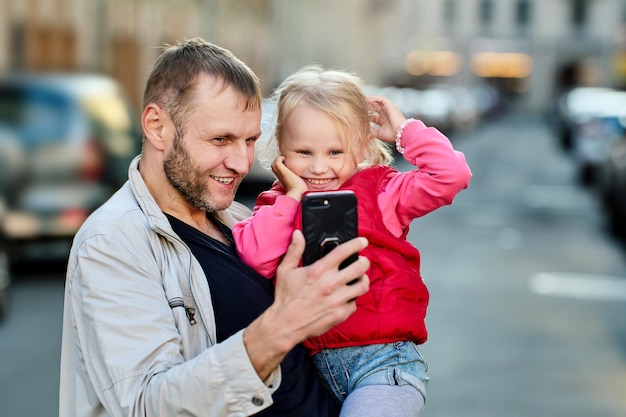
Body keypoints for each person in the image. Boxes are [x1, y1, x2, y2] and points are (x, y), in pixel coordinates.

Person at [59, 38, 372, 417]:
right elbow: (144, 404)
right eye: (221, 139)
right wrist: (280, 326)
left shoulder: (240, 219)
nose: (241, 162)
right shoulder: (112, 242)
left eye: (250, 140)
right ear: (157, 127)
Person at [232, 65, 472, 417]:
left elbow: (451, 175)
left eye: (334, 152)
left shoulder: (384, 192)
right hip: (317, 374)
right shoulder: (276, 204)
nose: (318, 168)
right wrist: (292, 197)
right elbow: (255, 258)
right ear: (281, 145)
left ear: (361, 145)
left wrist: (405, 131)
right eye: (303, 152)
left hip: (384, 368)